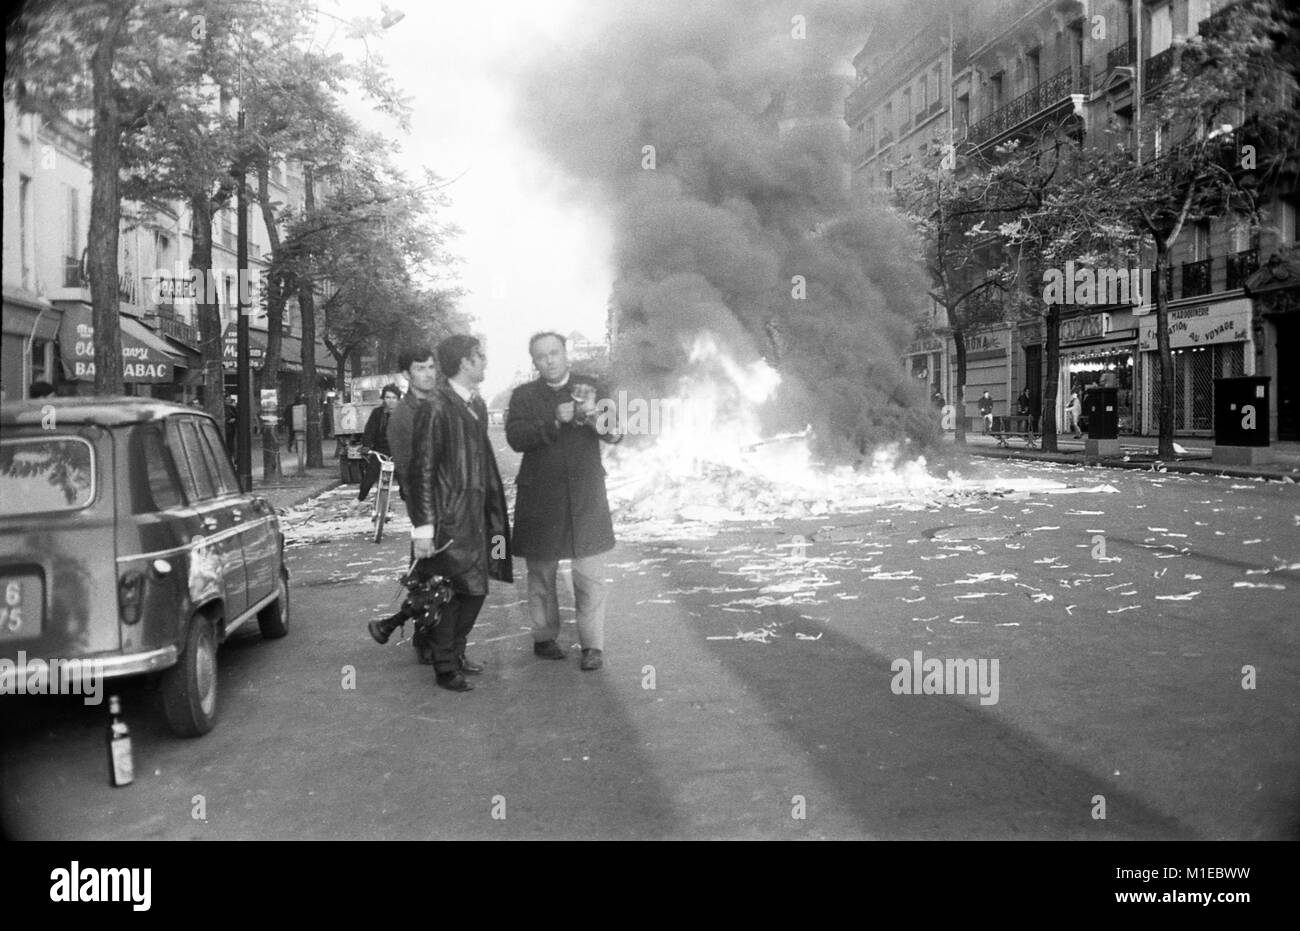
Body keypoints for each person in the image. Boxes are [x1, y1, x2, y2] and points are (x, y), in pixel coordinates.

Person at [507, 332, 622, 672]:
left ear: (565, 354)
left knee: (589, 575)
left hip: (585, 496)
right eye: (541, 357)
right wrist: (554, 421)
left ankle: (592, 646)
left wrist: (593, 415)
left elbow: (616, 433)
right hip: (541, 498)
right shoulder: (524, 396)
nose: (550, 360)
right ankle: (544, 637)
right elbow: (515, 438)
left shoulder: (594, 388)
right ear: (535, 362)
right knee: (542, 573)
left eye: (554, 353)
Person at [407, 335, 513, 692]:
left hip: (480, 517)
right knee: (451, 593)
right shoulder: (436, 406)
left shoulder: (475, 405)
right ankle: (445, 665)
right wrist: (423, 528)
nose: (485, 362)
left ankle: (455, 651)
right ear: (465, 362)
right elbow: (421, 468)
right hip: (450, 521)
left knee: (477, 587)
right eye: (480, 356)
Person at [367, 346, 439, 661]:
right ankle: (427, 643)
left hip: (445, 504)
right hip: (426, 507)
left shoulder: (439, 405)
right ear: (408, 375)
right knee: (427, 575)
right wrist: (423, 519)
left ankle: (432, 640)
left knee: (435, 575)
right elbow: (410, 472)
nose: (428, 373)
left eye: (431, 367)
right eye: (420, 368)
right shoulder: (403, 416)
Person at [350, 384, 401, 517]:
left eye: (394, 398)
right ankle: (359, 499)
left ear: (398, 399)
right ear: (383, 398)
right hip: (380, 450)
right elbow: (370, 430)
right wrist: (366, 446)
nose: (391, 400)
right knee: (370, 476)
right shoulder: (377, 413)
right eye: (388, 397)